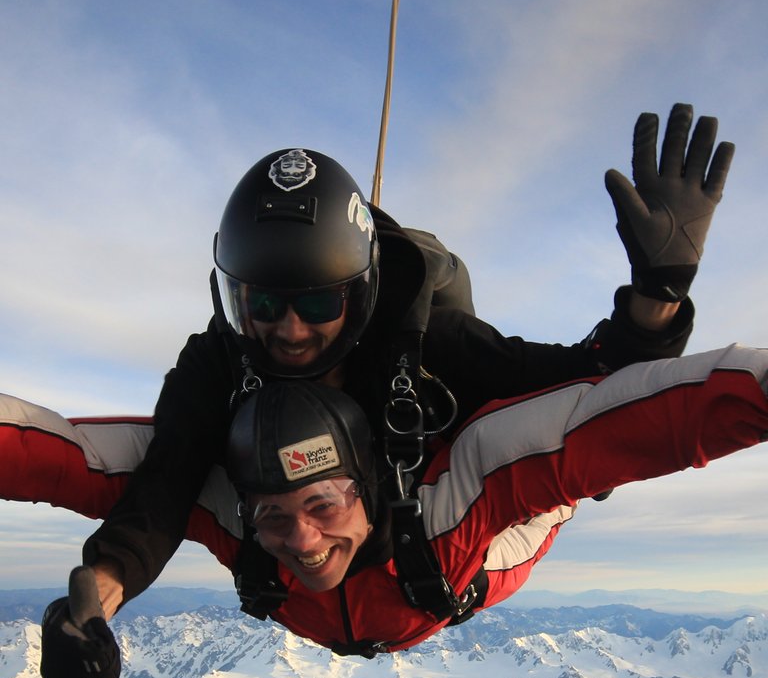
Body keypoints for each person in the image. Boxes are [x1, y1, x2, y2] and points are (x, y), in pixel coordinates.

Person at [75, 104, 732, 623]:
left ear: (358, 292)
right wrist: (104, 589)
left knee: (565, 465)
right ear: (234, 295)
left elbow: (593, 397)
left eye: (318, 300)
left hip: (441, 553)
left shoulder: (428, 345)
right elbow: (166, 481)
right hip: (307, 559)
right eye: (264, 302)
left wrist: (658, 297)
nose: (289, 330)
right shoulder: (220, 359)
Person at [36, 341, 768, 678]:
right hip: (408, 592)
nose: (304, 543)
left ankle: (571, 488)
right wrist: (89, 604)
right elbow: (62, 457)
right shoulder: (227, 504)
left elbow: (648, 416)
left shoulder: (458, 492)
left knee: (561, 473)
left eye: (324, 505)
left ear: (372, 484)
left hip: (463, 566)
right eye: (274, 517)